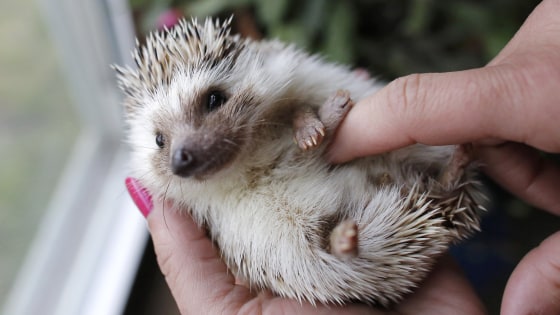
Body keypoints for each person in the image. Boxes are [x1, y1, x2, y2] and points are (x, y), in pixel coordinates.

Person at [125, 0, 560, 313]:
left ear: (259, 61)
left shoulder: (282, 88)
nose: (183, 150)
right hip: (327, 229)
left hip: (371, 172)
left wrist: (305, 119)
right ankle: (338, 242)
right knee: (317, 249)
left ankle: (379, 220)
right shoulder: (198, 195)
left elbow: (303, 113)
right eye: (162, 142)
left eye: (214, 100)